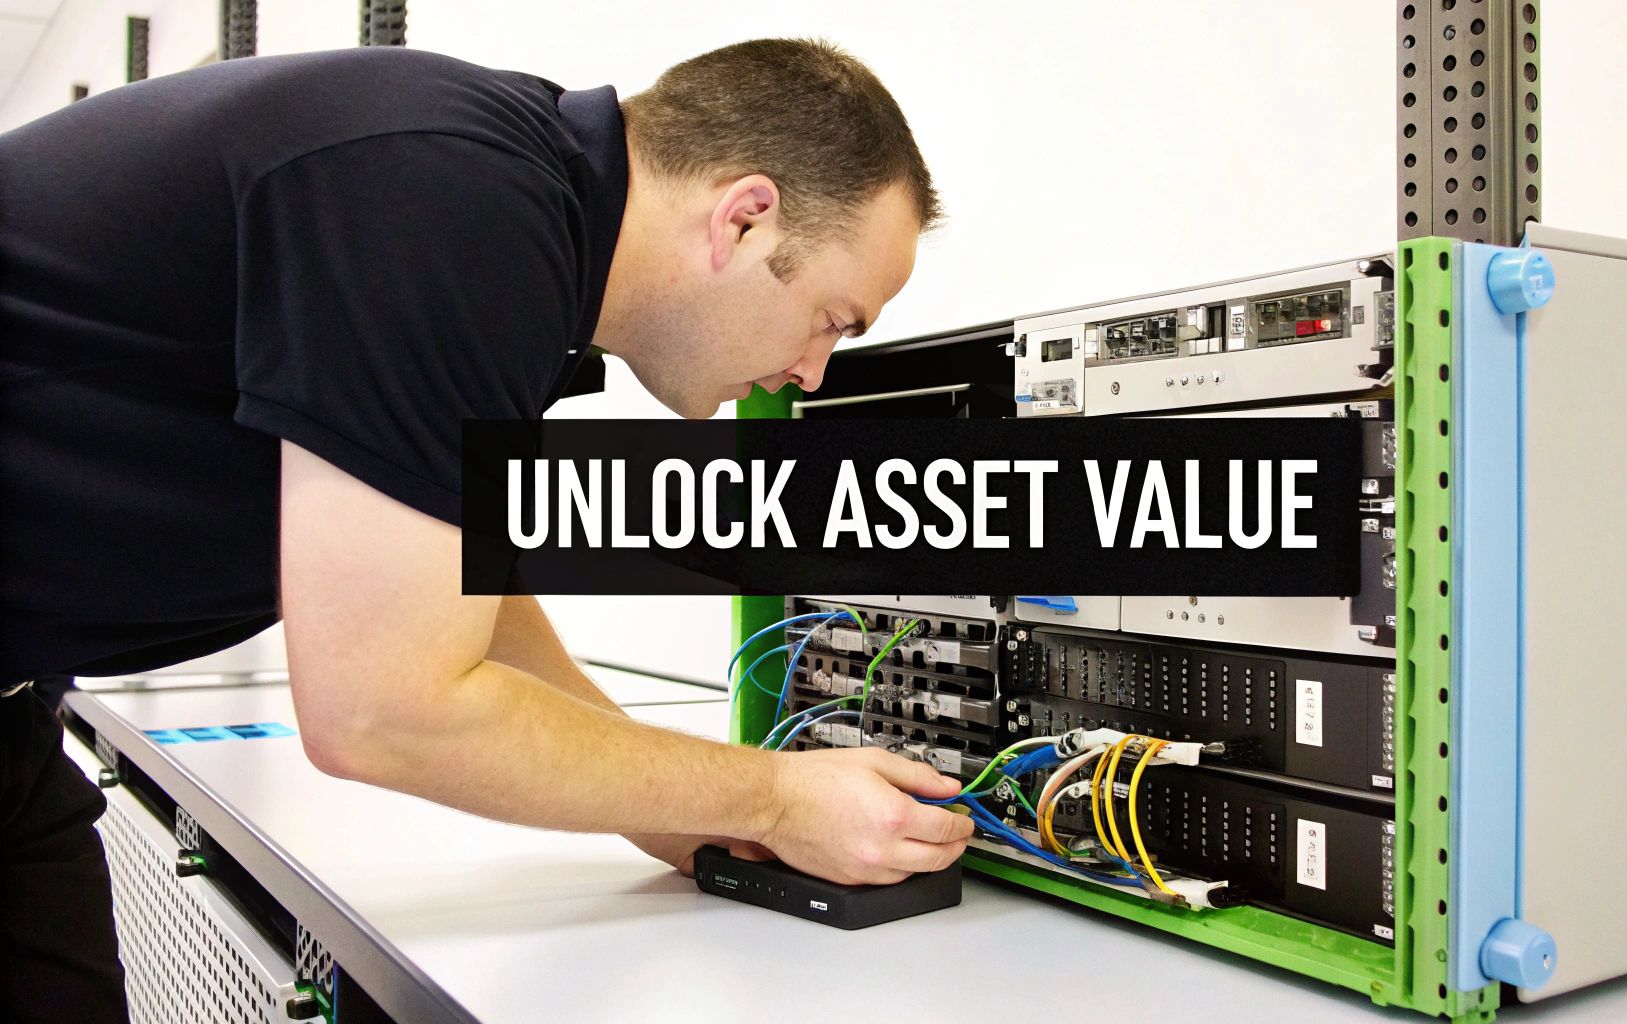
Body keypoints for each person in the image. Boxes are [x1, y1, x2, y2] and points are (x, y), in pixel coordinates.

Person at [0, 38, 973, 1021]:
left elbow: (474, 603)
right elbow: (384, 710)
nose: (810, 374)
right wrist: (767, 795)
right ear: (743, 217)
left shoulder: (504, 211)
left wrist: (677, 818)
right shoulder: (448, 200)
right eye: (830, 320)